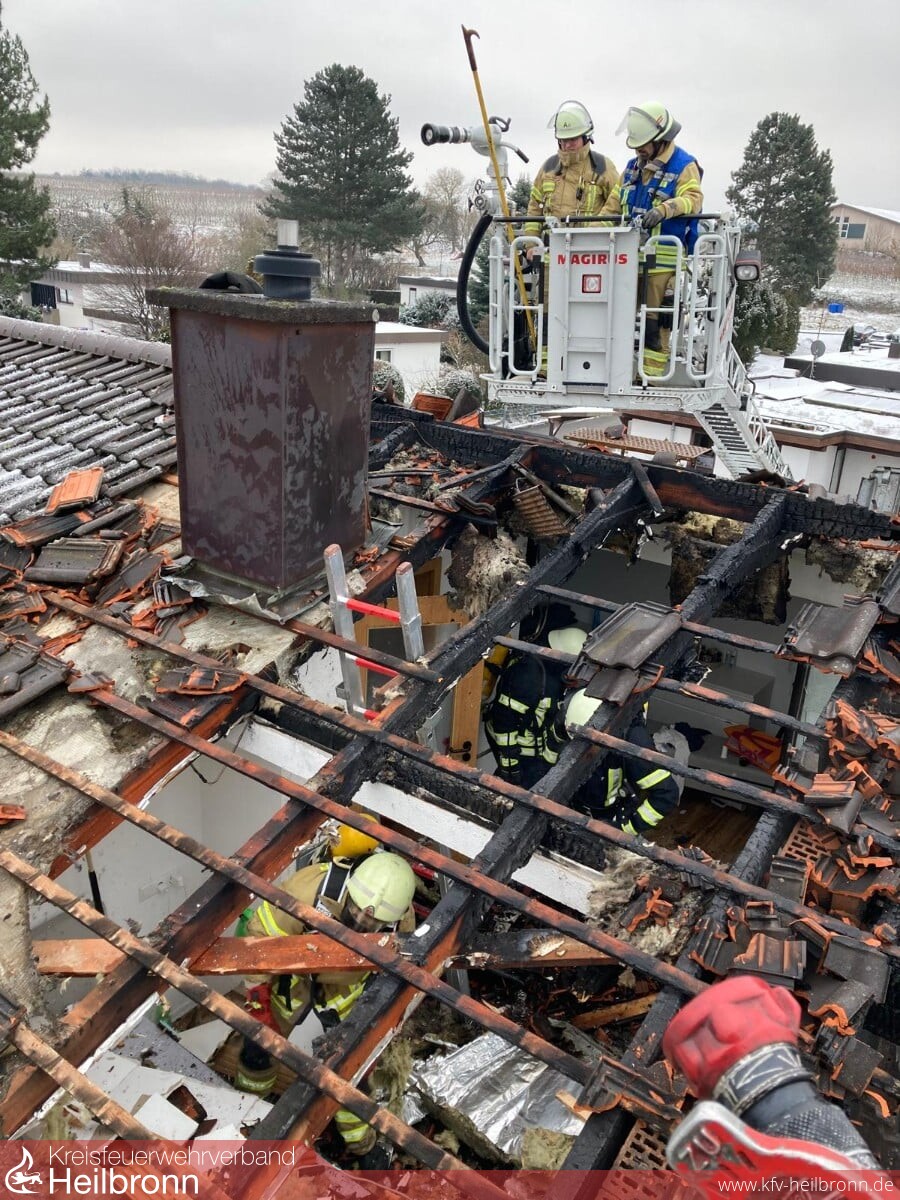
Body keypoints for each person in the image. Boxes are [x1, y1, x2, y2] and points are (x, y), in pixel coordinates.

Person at [236, 851, 417, 1161]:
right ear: (350, 887)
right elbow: (260, 939)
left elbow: (397, 970)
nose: (360, 922)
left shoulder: (402, 919)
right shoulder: (309, 890)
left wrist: (375, 1019)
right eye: (356, 910)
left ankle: (361, 1145)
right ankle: (244, 1107)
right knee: (258, 1048)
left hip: (346, 991)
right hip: (294, 977)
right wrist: (258, 998)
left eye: (373, 922)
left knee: (349, 1072)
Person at [601, 102, 704, 377]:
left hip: (662, 263)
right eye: (635, 146)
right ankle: (617, 375)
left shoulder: (684, 165)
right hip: (626, 259)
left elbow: (693, 199)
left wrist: (664, 209)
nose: (639, 151)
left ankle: (651, 379)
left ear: (661, 139)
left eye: (643, 145)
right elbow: (612, 207)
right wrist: (589, 232)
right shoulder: (631, 168)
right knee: (615, 318)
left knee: (655, 324)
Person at [484, 604, 587, 788]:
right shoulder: (528, 677)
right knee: (513, 788)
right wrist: (510, 765)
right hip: (516, 745)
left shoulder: (552, 672)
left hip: (537, 744)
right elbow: (504, 721)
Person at [557, 690, 680, 835]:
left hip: (609, 812)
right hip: (572, 801)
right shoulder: (577, 708)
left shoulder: (633, 741)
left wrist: (622, 829)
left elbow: (667, 794)